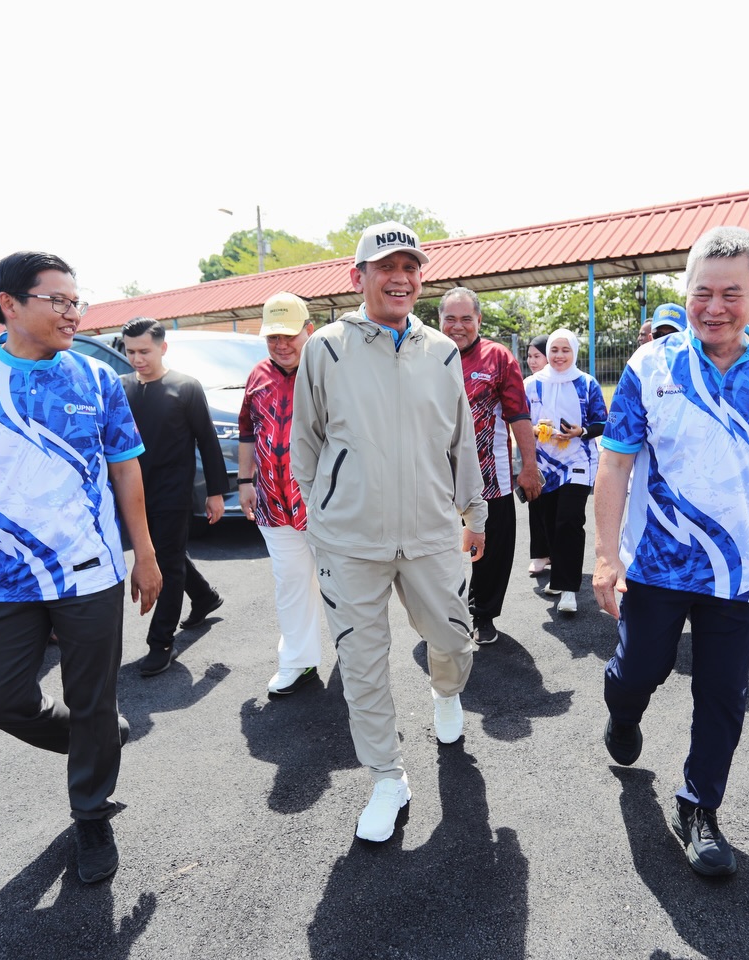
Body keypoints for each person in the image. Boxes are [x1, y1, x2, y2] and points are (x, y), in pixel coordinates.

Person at [0, 251, 162, 885]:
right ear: (10, 304)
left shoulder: (97, 378)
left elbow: (126, 468)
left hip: (90, 570)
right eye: (59, 301)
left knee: (92, 697)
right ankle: (96, 739)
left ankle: (92, 813)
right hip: (1, 575)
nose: (73, 313)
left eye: (77, 301)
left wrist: (146, 553)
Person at [592, 226, 749, 877]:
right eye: (701, 293)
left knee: (723, 694)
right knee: (639, 670)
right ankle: (622, 710)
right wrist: (605, 555)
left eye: (731, 294)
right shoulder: (649, 366)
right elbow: (615, 464)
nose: (714, 308)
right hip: (657, 563)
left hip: (738, 572)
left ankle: (699, 809)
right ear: (685, 293)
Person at [291, 221, 486, 843]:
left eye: (410, 268)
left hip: (431, 534)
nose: (400, 278)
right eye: (386, 267)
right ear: (359, 277)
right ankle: (385, 777)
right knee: (362, 663)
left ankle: (446, 693)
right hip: (349, 542)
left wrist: (474, 510)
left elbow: (460, 439)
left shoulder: (443, 351)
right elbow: (306, 442)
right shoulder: (326, 348)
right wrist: (326, 510)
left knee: (453, 639)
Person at [119, 318, 230, 678]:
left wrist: (216, 493)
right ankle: (205, 596)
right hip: (134, 492)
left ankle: (161, 642)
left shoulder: (185, 387)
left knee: (166, 562)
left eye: (144, 351)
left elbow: (208, 441)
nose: (137, 359)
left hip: (173, 491)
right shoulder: (121, 388)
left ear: (162, 348)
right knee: (168, 553)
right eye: (131, 351)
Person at [439, 287, 543, 645]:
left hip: (490, 477)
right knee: (437, 549)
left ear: (479, 320)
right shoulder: (427, 355)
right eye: (450, 319)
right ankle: (443, 614)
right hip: (436, 476)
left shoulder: (497, 357)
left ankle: (483, 613)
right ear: (439, 321)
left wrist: (528, 466)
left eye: (466, 318)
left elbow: (519, 415)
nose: (458, 326)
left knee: (491, 549)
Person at [238, 293, 327, 695]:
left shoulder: (328, 369)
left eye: (289, 335)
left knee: (344, 587)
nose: (281, 344)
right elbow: (247, 431)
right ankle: (298, 661)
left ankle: (357, 660)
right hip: (274, 505)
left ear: (308, 330)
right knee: (290, 585)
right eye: (273, 337)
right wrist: (244, 482)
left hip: (327, 505)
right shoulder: (257, 374)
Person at [524, 328, 607, 615]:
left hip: (578, 462)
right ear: (548, 353)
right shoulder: (531, 385)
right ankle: (559, 577)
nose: (559, 356)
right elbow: (519, 421)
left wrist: (580, 431)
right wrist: (536, 430)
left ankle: (569, 589)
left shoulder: (587, 383)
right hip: (543, 464)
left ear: (574, 352)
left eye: (565, 350)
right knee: (549, 522)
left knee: (569, 521)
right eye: (554, 350)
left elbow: (602, 422)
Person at [523, 335, 553, 576]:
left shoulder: (568, 383)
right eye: (529, 356)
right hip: (535, 455)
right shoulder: (527, 384)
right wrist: (532, 429)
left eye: (537, 356)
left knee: (560, 511)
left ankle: (557, 554)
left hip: (564, 457)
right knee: (537, 504)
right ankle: (541, 554)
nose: (532, 361)